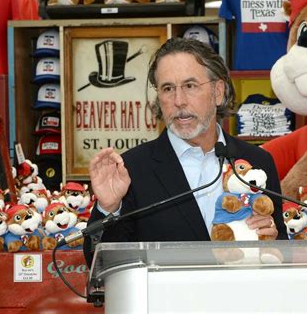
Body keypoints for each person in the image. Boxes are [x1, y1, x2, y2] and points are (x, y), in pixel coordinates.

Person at [84, 37, 287, 266]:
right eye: (168, 89)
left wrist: (272, 240)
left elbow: (280, 246)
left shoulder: (258, 161)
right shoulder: (132, 169)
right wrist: (108, 209)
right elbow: (100, 263)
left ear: (218, 92)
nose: (179, 101)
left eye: (190, 86)